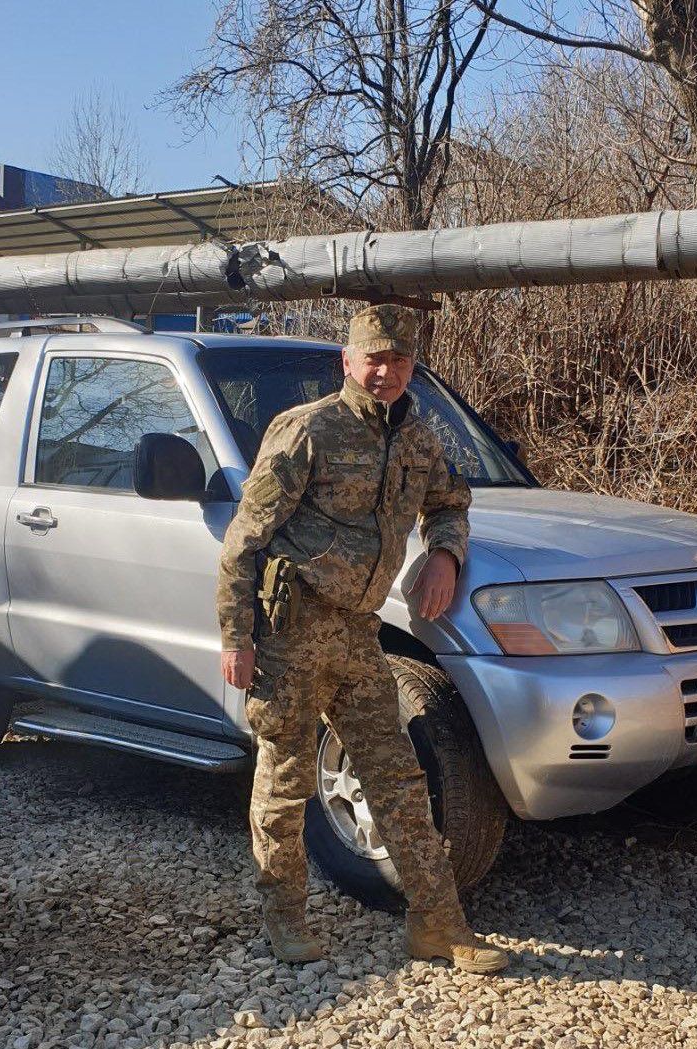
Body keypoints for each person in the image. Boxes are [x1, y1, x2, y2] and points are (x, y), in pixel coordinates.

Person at [216, 304, 508, 973]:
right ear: (348, 360)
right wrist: (237, 637)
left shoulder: (418, 439)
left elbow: (450, 503)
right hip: (290, 633)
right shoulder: (306, 430)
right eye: (374, 358)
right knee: (285, 781)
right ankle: (286, 917)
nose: (386, 372)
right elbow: (243, 541)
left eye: (399, 360)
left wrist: (445, 554)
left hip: (357, 633)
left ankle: (437, 924)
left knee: (398, 777)